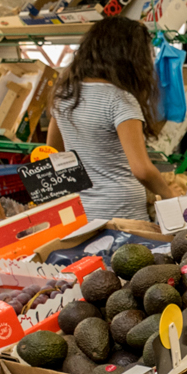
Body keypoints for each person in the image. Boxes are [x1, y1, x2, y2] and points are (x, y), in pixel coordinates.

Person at [46, 15, 166, 221]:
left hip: (82, 213)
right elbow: (142, 170)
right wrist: (173, 197)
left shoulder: (66, 94)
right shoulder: (120, 100)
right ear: (131, 58)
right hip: (124, 215)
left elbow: (54, 152)